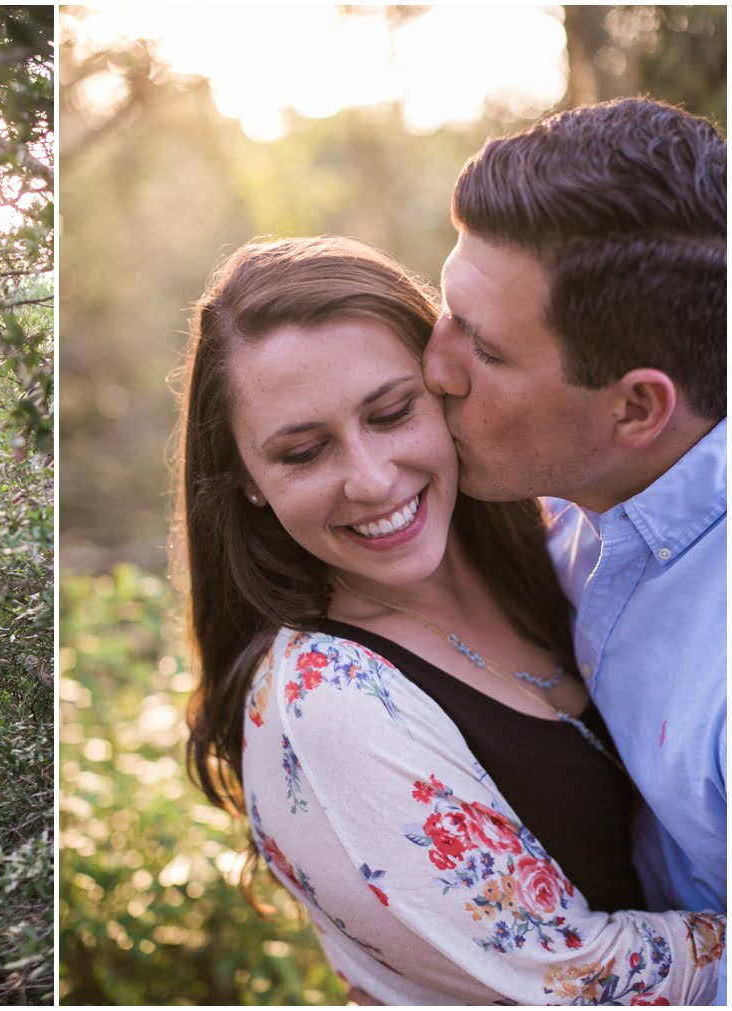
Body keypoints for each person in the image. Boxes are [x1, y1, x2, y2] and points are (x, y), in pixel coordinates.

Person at [180, 236, 723, 1003]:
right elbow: (580, 986)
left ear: (446, 384)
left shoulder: (561, 539)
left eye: (393, 412)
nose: (371, 480)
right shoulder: (320, 699)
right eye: (303, 453)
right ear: (249, 482)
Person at [423, 97, 726, 999]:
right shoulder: (567, 500)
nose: (434, 365)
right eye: (446, 309)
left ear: (636, 407)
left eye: (483, 347)